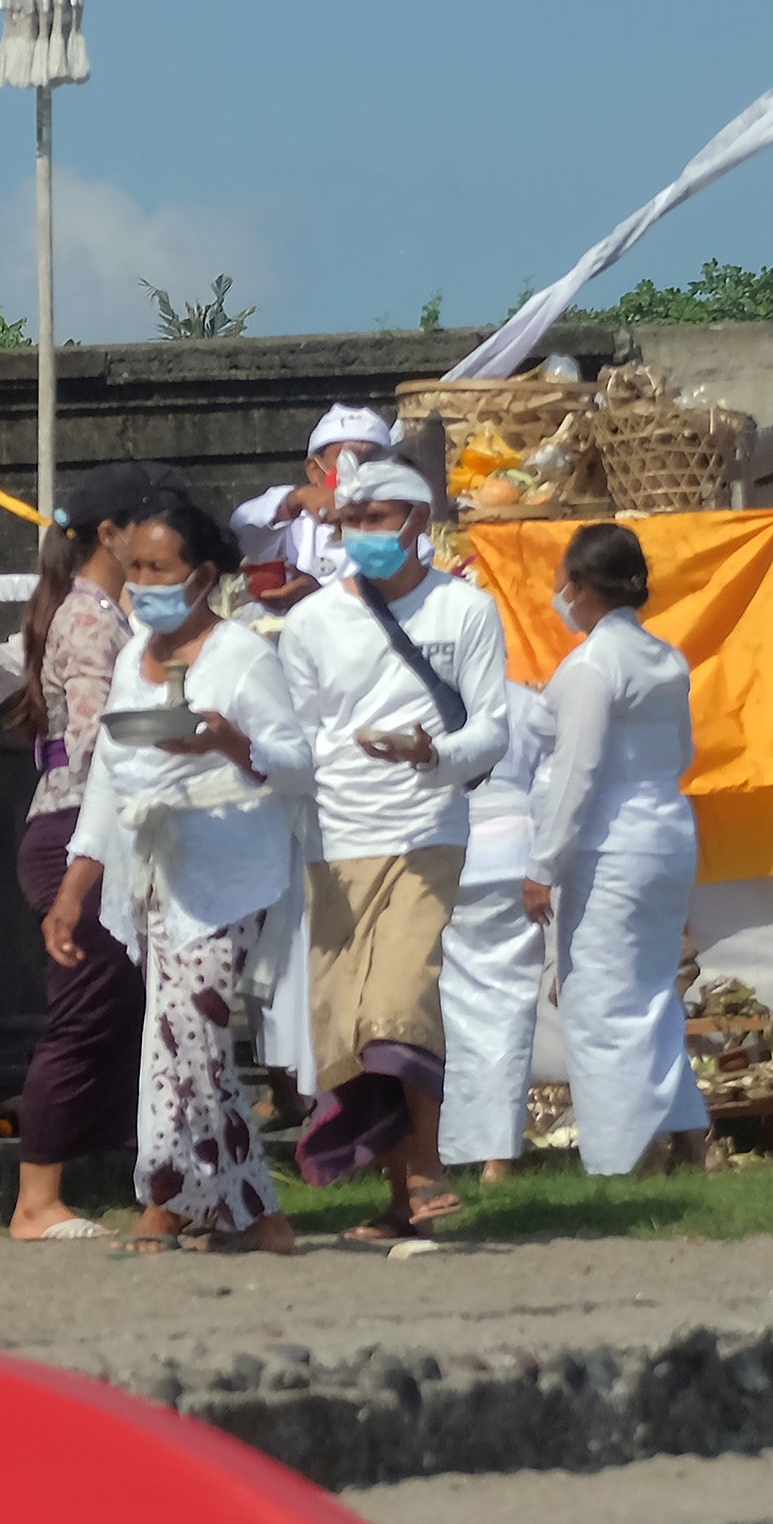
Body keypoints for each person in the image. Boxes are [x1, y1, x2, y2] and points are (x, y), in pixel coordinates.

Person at [44, 498, 305, 1255]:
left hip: (232, 871)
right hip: (156, 870)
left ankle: (237, 1208)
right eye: (135, 570)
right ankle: (194, 1200)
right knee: (168, 1047)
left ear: (205, 576)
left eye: (159, 569)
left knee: (194, 1039)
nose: (143, 583)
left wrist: (228, 740)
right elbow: (111, 779)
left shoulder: (243, 657)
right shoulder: (132, 658)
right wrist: (74, 888)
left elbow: (297, 764)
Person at [273, 454, 509, 1239]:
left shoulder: (465, 611)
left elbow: (492, 729)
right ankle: (402, 1195)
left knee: (399, 1000)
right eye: (351, 521)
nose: (364, 534)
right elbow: (298, 739)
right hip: (334, 838)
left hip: (424, 828)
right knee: (346, 1026)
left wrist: (431, 755)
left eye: (379, 519)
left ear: (417, 523)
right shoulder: (309, 623)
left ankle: (430, 1168)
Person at [0, 463, 177, 1240]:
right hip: (77, 830)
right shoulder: (91, 621)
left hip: (91, 827)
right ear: (111, 535)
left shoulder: (99, 614)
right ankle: (37, 1197)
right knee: (86, 1009)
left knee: (120, 1006)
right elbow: (101, 745)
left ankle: (102, 1170)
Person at [522, 523, 714, 1180]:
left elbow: (577, 773)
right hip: (667, 835)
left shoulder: (590, 667)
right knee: (654, 993)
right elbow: (684, 753)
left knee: (600, 1004)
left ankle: (619, 1159)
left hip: (608, 846)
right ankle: (687, 1136)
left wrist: (542, 866)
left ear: (579, 587)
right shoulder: (666, 658)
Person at [436, 677, 554, 1191]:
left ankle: (457, 1145)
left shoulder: (425, 694)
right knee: (509, 1008)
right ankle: (494, 1156)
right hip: (514, 852)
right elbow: (550, 781)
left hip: (451, 848)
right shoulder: (527, 701)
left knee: (453, 1009)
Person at [229, 404, 396, 611]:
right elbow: (241, 527)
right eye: (348, 458)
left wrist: (317, 594)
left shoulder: (402, 527)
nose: (361, 470)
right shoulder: (295, 523)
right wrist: (295, 499)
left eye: (372, 460)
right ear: (315, 470)